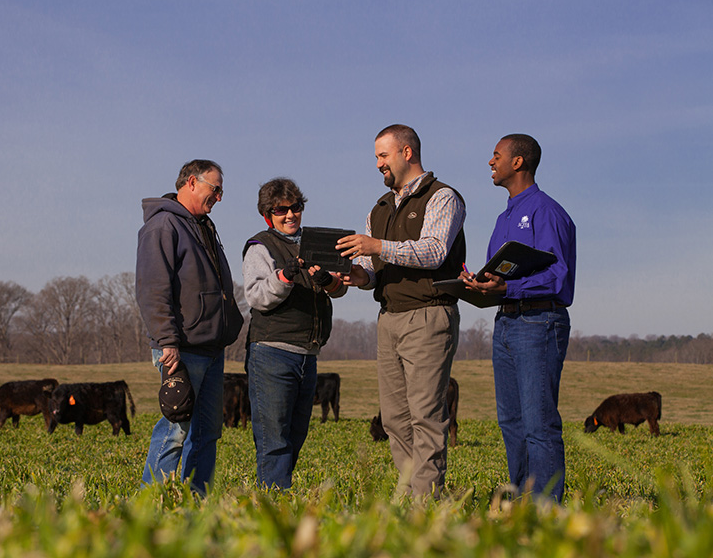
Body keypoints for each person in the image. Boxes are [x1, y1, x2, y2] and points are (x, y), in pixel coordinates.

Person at [337, 125, 466, 497]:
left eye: (383, 155)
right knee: (394, 418)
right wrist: (350, 274)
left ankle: (425, 504)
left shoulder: (443, 197)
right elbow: (369, 272)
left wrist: (377, 245)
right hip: (388, 318)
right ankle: (411, 492)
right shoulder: (378, 209)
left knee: (426, 415)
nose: (377, 164)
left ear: (406, 153)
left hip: (429, 314)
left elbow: (434, 252)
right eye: (377, 157)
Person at [461, 134, 576, 502]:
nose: (490, 163)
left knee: (538, 423)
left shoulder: (546, 211)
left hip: (539, 323)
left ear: (518, 162)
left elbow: (558, 276)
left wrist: (509, 290)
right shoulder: (502, 217)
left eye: (496, 156)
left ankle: (547, 511)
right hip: (505, 324)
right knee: (511, 422)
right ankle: (524, 499)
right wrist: (480, 284)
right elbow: (505, 274)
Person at [136, 159, 243, 495]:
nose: (220, 197)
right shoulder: (164, 226)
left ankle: (195, 499)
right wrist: (167, 342)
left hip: (211, 347)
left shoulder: (203, 226)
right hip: (181, 348)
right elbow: (152, 289)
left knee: (207, 432)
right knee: (175, 428)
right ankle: (152, 503)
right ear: (192, 183)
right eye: (216, 189)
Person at [242, 177, 347, 489]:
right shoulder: (260, 245)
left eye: (295, 208)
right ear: (267, 215)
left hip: (308, 353)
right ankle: (273, 505)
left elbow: (338, 290)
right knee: (274, 437)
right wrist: (284, 276)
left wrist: (329, 280)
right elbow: (256, 296)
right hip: (272, 352)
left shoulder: (316, 243)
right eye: (280, 210)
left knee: (296, 433)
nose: (290, 215)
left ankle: (278, 493)